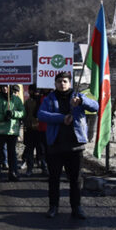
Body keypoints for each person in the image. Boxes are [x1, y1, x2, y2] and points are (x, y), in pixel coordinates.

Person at [38, 72, 98, 219]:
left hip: (75, 146)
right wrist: (61, 118)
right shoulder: (49, 98)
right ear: (55, 84)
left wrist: (82, 101)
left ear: (70, 83)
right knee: (54, 178)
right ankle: (53, 206)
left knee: (76, 179)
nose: (62, 84)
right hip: (55, 146)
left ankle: (76, 207)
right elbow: (41, 115)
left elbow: (95, 106)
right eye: (59, 81)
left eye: (65, 81)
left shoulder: (78, 96)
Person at [0, 85, 24, 182]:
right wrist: (2, 117)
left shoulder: (16, 99)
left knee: (12, 153)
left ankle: (13, 173)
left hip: (12, 131)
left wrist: (13, 114)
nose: (5, 88)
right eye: (3, 86)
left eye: (7, 87)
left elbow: (22, 112)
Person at [23, 84, 47, 176]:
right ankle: (29, 169)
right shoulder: (28, 102)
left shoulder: (43, 101)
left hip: (40, 129)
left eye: (36, 91)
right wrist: (27, 124)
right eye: (33, 91)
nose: (35, 93)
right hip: (30, 129)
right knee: (29, 150)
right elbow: (25, 115)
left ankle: (44, 168)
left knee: (41, 150)